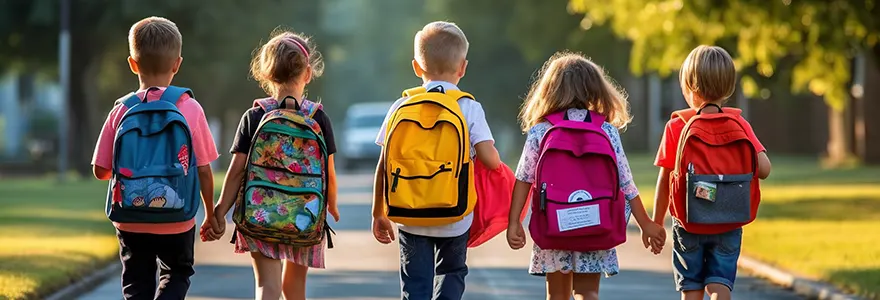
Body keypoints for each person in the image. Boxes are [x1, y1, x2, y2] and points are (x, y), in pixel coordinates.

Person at [506, 52, 665, 300]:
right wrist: (645, 223)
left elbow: (524, 178)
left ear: (549, 90)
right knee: (588, 292)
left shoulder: (541, 131)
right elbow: (626, 183)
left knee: (557, 295)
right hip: (596, 224)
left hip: (553, 224)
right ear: (596, 89)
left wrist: (514, 221)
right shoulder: (606, 130)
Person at [371, 21, 502, 300]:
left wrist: (378, 212)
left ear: (416, 68)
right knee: (452, 272)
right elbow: (491, 160)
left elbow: (384, 164)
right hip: (454, 213)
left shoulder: (400, 106)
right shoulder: (468, 107)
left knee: (415, 282)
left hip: (408, 213)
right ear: (462, 68)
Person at [91, 16, 220, 300]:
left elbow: (101, 171)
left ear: (132, 64)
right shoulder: (191, 108)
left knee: (136, 281)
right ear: (177, 64)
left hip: (131, 217)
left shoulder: (120, 111)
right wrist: (211, 214)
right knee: (177, 272)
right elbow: (204, 170)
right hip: (178, 216)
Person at [206, 30, 339, 300]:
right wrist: (331, 205)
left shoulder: (254, 116)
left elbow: (236, 172)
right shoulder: (318, 118)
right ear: (308, 74)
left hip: (260, 214)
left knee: (267, 286)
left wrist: (219, 211)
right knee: (294, 288)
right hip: (306, 214)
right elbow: (329, 173)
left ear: (265, 74)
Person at [652, 45, 772, 300]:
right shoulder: (739, 123)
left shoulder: (677, 125)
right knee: (720, 286)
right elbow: (764, 170)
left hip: (689, 221)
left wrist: (656, 222)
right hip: (729, 219)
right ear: (728, 88)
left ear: (689, 88)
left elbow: (665, 180)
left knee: (692, 289)